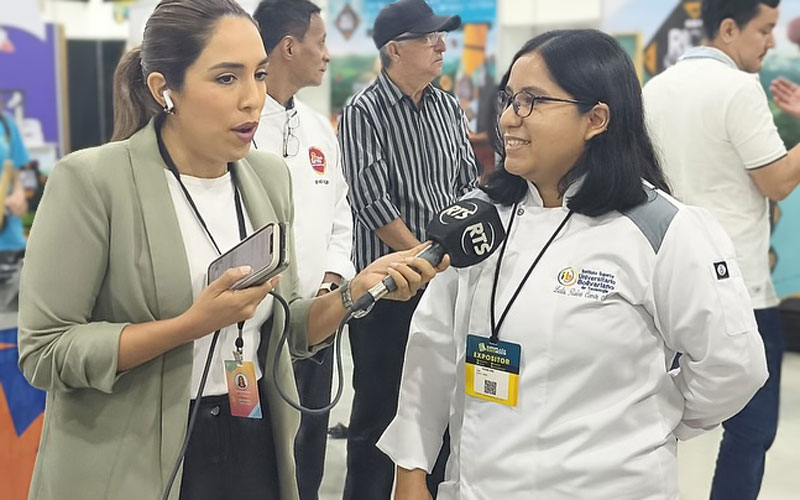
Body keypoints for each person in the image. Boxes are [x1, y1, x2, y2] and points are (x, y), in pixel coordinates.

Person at [16, 1, 446, 499]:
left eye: (259, 74)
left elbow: (285, 326)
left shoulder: (266, 179)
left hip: (251, 437)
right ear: (164, 90)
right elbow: (45, 351)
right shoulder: (93, 182)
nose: (252, 99)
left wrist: (353, 293)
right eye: (226, 78)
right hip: (130, 456)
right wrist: (189, 326)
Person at [377, 29, 769, 500]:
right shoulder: (479, 218)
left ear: (596, 118)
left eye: (531, 101)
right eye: (508, 99)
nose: (508, 119)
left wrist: (648, 420)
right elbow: (433, 346)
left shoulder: (662, 229)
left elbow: (733, 366)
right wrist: (412, 469)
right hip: (479, 484)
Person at [643, 1, 800, 497]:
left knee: (657, 423)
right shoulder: (738, 88)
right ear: (729, 28)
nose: (771, 42)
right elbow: (777, 182)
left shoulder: (654, 89)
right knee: (752, 430)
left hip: (666, 281)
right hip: (740, 287)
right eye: (765, 30)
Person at [336, 0, 479, 497]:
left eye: (442, 37)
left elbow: (468, 185)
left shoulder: (447, 107)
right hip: (389, 289)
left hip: (445, 281)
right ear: (395, 50)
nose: (442, 46)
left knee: (437, 405)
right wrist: (423, 259)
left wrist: (451, 261)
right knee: (379, 409)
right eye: (429, 38)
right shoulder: (362, 112)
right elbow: (372, 204)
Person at [252, 1, 354, 498]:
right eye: (321, 41)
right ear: (289, 47)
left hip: (320, 318)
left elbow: (341, 212)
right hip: (256, 326)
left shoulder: (317, 128)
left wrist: (335, 279)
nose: (328, 54)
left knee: (310, 445)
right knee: (260, 446)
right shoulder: (241, 130)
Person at [0, 110, 30, 304]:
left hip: (10, 247)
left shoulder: (6, 124)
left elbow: (19, 174)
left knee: (11, 326)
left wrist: (19, 194)